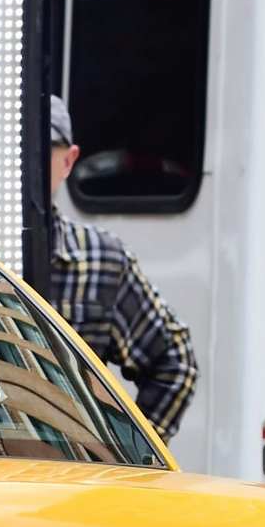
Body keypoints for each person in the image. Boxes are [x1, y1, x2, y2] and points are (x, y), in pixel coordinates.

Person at [48, 95, 198, 442]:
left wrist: (128, 455)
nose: (26, 160)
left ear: (69, 161)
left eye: (44, 147)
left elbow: (174, 361)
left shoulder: (102, 260)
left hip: (68, 479)